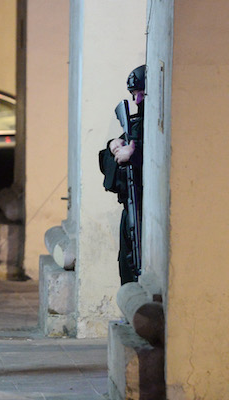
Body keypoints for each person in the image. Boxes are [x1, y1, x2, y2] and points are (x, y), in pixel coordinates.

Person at [100, 65, 145, 285]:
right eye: (133, 94)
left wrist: (134, 156)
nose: (137, 101)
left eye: (141, 94)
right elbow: (107, 171)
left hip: (144, 209)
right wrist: (113, 148)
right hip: (130, 207)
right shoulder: (135, 124)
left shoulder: (159, 127)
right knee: (126, 268)